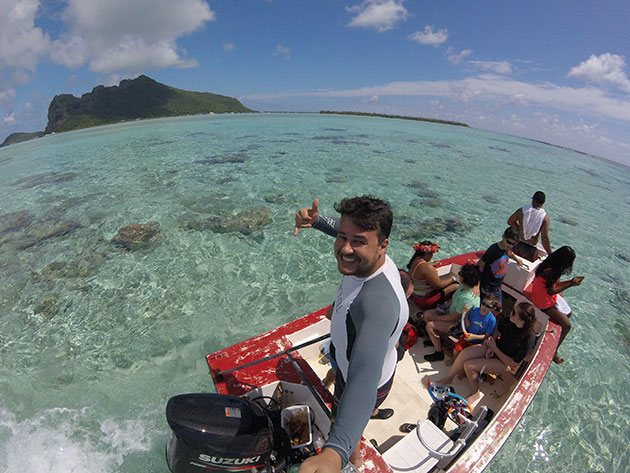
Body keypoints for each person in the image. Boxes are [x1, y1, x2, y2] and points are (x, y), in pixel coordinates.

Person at [295, 196, 408, 473]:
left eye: (357, 242)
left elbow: (364, 377)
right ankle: (354, 455)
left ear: (383, 246)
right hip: (347, 361)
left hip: (360, 377)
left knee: (341, 417)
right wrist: (318, 221)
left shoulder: (376, 304)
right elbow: (349, 231)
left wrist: (333, 453)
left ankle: (351, 460)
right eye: (342, 237)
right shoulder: (370, 260)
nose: (345, 248)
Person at [435, 301, 537, 406]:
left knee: (469, 365)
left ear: (521, 319)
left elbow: (513, 363)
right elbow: (498, 329)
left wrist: (494, 347)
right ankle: (449, 378)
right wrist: (491, 343)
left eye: (514, 312)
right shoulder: (510, 320)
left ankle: (475, 392)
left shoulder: (528, 338)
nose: (511, 312)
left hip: (504, 362)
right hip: (494, 348)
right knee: (465, 353)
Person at [531, 246, 584, 364]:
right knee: (567, 325)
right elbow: (551, 291)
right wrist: (570, 284)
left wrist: (570, 281)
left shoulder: (549, 263)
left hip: (539, 294)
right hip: (543, 301)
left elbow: (554, 284)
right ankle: (554, 352)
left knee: (568, 313)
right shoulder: (553, 271)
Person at [422, 263, 481, 362]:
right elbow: (455, 300)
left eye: (460, 274)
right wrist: (445, 306)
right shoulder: (463, 286)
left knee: (430, 326)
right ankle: (435, 340)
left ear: (465, 279)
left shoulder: (467, 298)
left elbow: (454, 317)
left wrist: (437, 318)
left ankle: (439, 352)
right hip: (452, 313)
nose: (459, 275)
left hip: (459, 324)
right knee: (427, 315)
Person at [406, 241, 459, 312]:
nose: (432, 256)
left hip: (416, 296)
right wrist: (453, 278)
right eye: (432, 254)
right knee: (456, 285)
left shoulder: (414, 261)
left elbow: (422, 269)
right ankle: (445, 307)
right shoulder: (426, 267)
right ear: (427, 253)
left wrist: (431, 264)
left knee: (449, 276)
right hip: (425, 300)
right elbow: (439, 285)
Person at [478, 227, 520, 308]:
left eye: (513, 244)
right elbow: (480, 264)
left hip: (497, 286)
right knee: (486, 308)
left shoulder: (507, 249)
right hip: (487, 285)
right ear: (503, 236)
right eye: (508, 242)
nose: (510, 245)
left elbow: (510, 253)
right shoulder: (493, 249)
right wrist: (477, 284)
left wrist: (516, 259)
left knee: (498, 308)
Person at [508, 191, 552, 261]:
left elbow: (510, 222)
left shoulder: (522, 211)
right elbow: (545, 239)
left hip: (516, 245)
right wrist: (550, 255)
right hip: (530, 252)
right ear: (543, 203)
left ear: (532, 199)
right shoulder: (545, 218)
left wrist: (520, 229)